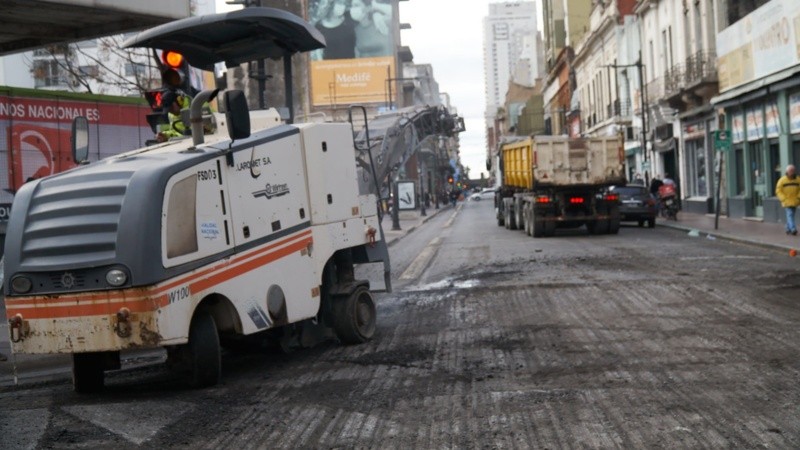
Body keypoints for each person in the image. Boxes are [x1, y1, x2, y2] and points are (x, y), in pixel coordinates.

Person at [775, 164, 800, 235]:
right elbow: (778, 191)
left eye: (793, 171)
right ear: (787, 172)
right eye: (790, 171)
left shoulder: (798, 180)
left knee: (791, 215)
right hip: (786, 201)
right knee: (790, 214)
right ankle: (793, 229)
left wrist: (798, 197)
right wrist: (783, 199)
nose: (792, 172)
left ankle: (787, 228)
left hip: (795, 201)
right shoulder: (782, 180)